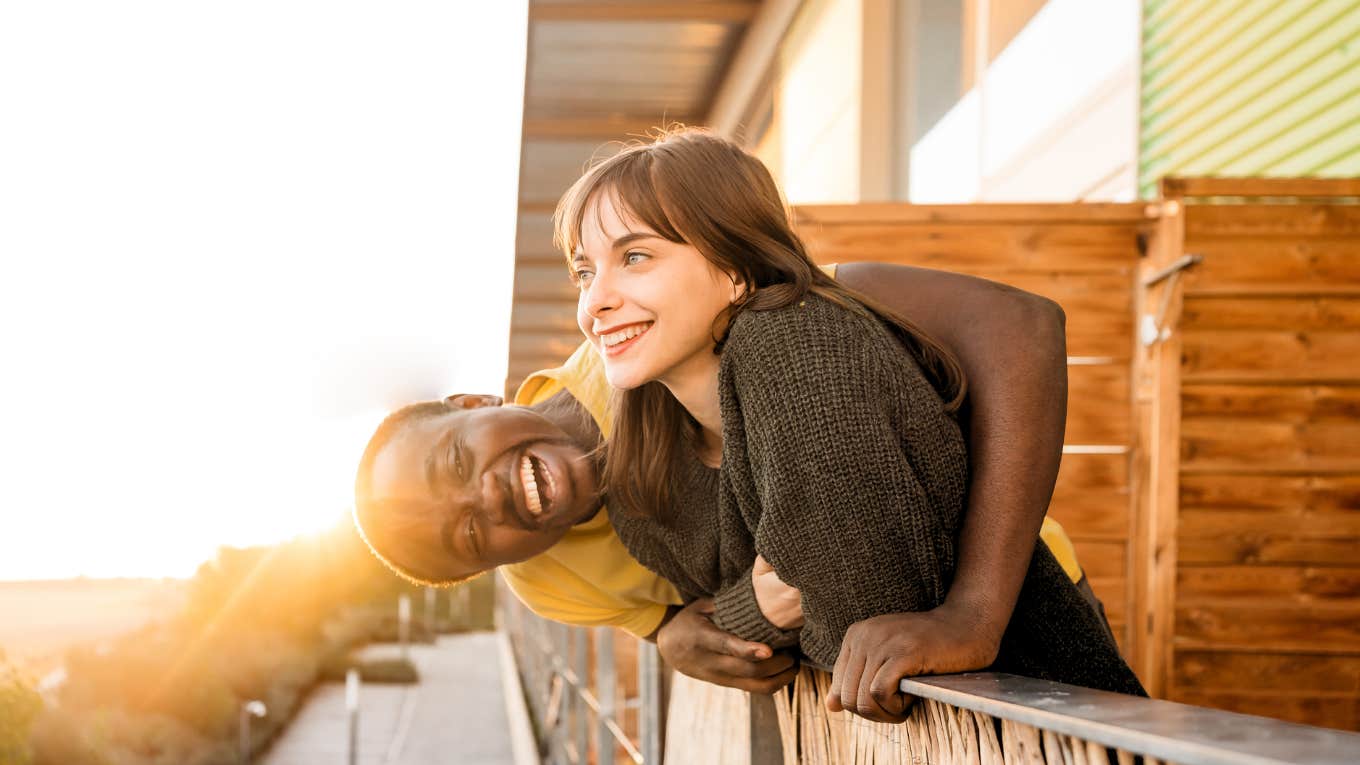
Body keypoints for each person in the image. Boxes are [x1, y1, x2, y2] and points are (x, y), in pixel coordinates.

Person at [555, 127, 1145, 715]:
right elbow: (763, 637)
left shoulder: (796, 341)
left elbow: (857, 615)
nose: (596, 301)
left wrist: (967, 616)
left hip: (1041, 714)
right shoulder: (644, 465)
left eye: (636, 257)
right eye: (585, 272)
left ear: (734, 267)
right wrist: (753, 611)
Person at [352, 260, 1105, 711]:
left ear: (473, 405)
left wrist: (973, 610)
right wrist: (680, 638)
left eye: (453, 461)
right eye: (470, 536)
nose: (484, 500)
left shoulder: (657, 325)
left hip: (1014, 587)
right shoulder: (548, 580)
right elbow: (708, 620)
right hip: (888, 684)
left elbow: (1020, 326)